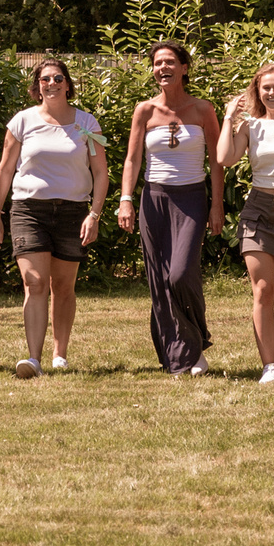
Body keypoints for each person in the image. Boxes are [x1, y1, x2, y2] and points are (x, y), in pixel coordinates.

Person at [0, 58, 106, 378]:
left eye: (57, 78)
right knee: (34, 282)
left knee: (64, 287)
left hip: (72, 212)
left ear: (68, 84)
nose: (51, 83)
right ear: (36, 86)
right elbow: (5, 169)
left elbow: (100, 172)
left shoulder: (87, 123)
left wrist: (94, 214)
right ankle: (34, 358)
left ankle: (60, 354)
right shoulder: (22, 121)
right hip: (29, 210)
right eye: (44, 79)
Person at [117, 42, 224, 375]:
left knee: (180, 274)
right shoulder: (144, 111)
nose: (163, 67)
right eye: (157, 63)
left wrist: (216, 204)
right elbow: (133, 159)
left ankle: (193, 340)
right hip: (154, 199)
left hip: (191, 199)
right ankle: (185, 356)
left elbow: (218, 162)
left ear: (184, 68)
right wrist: (126, 198)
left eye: (170, 62)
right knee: (160, 280)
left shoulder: (203, 110)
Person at [214, 61, 274, 383]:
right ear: (257, 91)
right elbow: (224, 158)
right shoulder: (250, 126)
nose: (271, 93)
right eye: (265, 87)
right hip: (258, 210)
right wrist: (229, 117)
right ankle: (269, 366)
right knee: (263, 291)